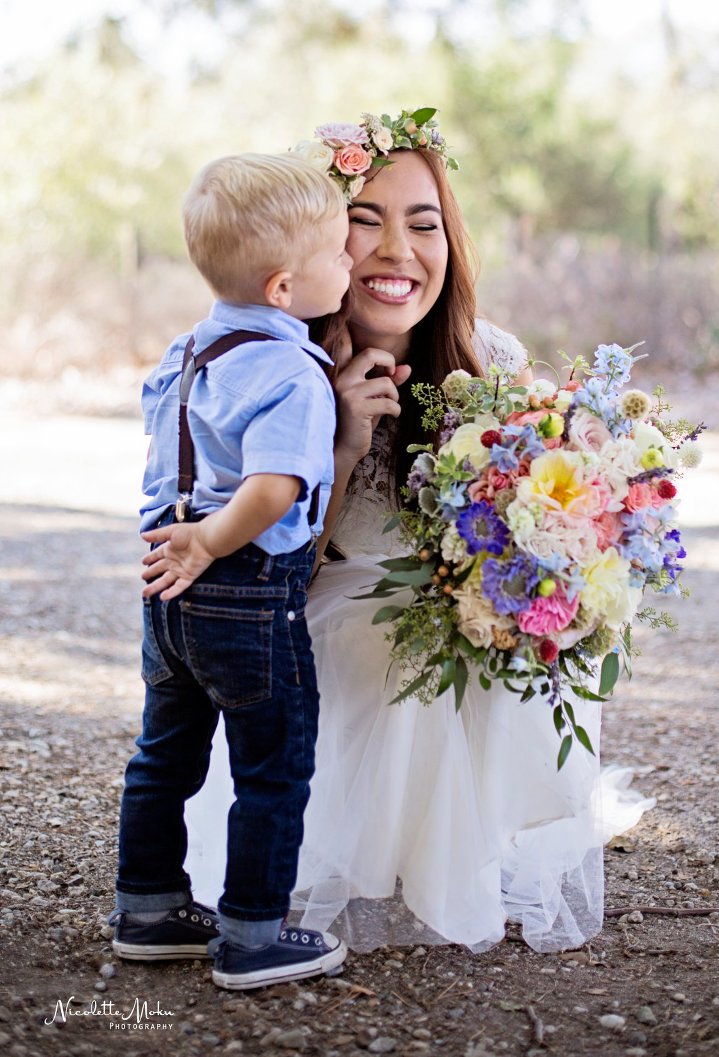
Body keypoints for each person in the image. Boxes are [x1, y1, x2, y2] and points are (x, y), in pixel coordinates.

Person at [184, 112, 654, 955]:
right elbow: (267, 566)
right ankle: (351, 850)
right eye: (362, 222)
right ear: (310, 247)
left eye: (423, 223)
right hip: (324, 607)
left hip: (457, 607)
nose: (397, 249)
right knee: (376, 637)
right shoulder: (277, 369)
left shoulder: (490, 358)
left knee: (478, 644)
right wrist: (342, 444)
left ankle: (466, 842)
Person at [112, 151, 352, 991]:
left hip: (164, 585)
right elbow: (274, 485)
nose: (351, 263)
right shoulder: (292, 369)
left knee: (163, 756)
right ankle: (253, 932)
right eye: (338, 254)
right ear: (285, 288)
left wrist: (189, 537)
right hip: (242, 587)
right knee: (272, 763)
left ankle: (146, 908)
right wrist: (215, 539)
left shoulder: (187, 350)